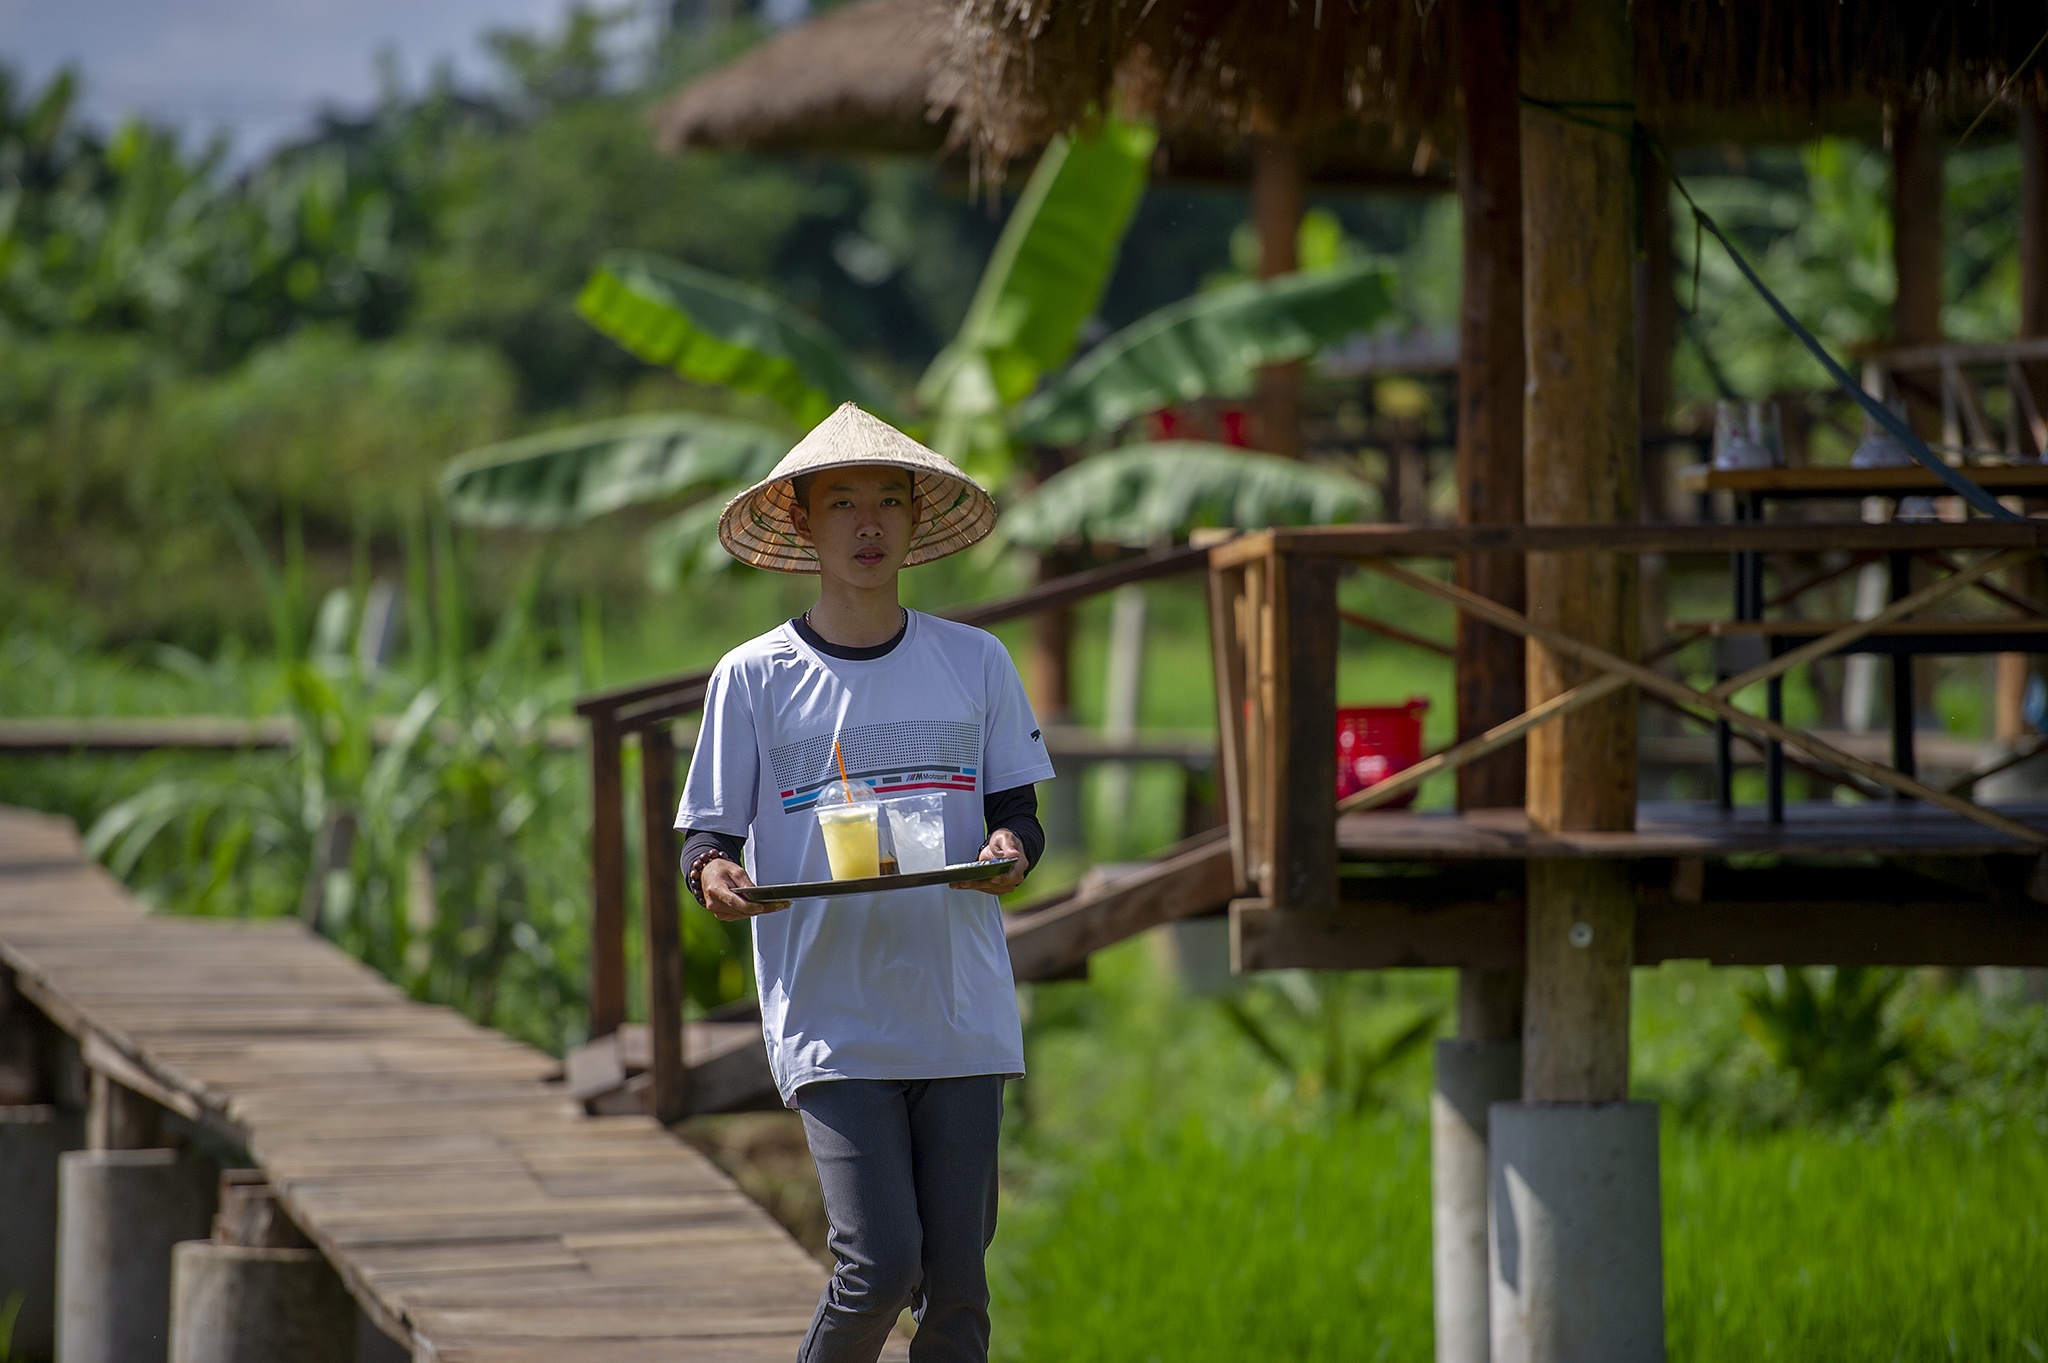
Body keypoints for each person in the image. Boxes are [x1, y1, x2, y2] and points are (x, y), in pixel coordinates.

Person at [676, 403, 1053, 1363]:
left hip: (960, 1010)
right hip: (832, 1015)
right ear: (802, 522)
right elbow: (708, 837)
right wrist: (717, 873)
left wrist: (1009, 849)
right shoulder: (753, 677)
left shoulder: (975, 661)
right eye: (842, 503)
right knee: (878, 1266)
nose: (869, 523)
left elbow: (1018, 813)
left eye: (890, 500)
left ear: (918, 519)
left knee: (958, 1289)